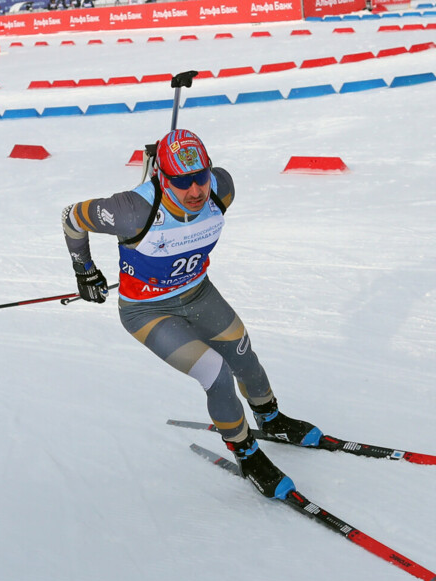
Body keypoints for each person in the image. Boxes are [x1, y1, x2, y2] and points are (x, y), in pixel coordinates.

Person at [60, 129, 323, 500]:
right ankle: (246, 453)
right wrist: (84, 270)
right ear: (162, 177)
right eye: (182, 182)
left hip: (198, 292)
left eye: (200, 178)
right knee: (216, 373)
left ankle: (271, 418)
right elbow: (71, 217)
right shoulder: (129, 211)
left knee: (244, 354)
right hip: (147, 311)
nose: (196, 191)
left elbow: (205, 191)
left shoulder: (222, 187)